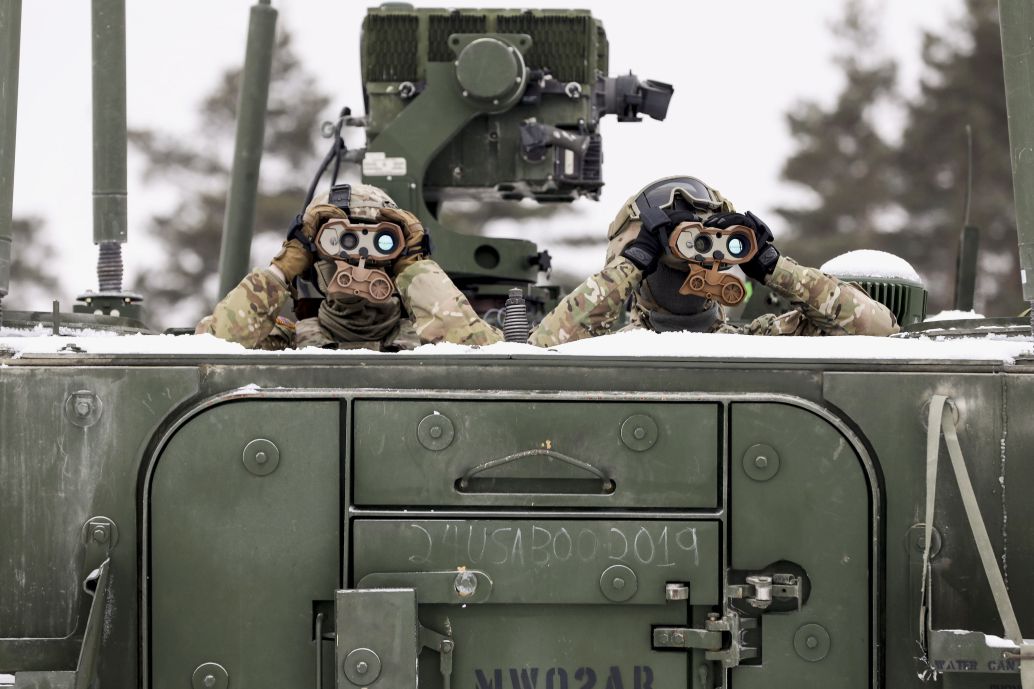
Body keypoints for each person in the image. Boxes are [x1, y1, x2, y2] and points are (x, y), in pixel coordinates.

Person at [399, 175, 900, 347]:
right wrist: (635, 262)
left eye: (709, 249)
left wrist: (771, 266)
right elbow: (543, 349)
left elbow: (878, 330)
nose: (690, 265)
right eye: (672, 251)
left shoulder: (763, 343)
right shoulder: (608, 351)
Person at [197, 184, 428, 350]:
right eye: (338, 244)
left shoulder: (429, 340)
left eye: (380, 244)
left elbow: (464, 354)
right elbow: (212, 352)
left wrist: (414, 268)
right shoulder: (285, 342)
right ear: (311, 262)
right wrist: (284, 267)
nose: (359, 260)